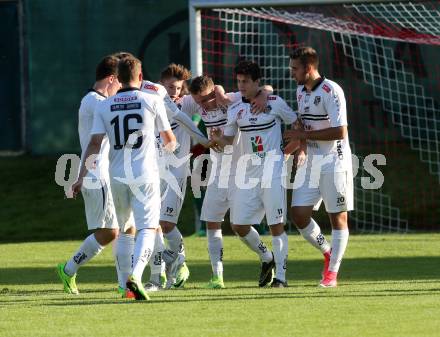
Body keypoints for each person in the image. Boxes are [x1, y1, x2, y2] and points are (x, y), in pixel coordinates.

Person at [71, 55, 176, 300]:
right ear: (140, 77)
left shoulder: (104, 106)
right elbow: (169, 141)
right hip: (145, 174)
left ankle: (125, 287)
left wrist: (80, 177)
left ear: (118, 78)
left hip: (116, 176)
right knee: (148, 228)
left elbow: (94, 144)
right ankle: (136, 276)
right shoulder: (151, 100)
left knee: (126, 230)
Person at [210, 60, 297, 288]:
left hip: (272, 173)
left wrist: (286, 153)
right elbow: (229, 140)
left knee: (276, 225)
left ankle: (281, 278)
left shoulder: (275, 103)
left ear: (257, 82)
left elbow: (297, 127)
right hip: (247, 175)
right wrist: (219, 138)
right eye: (238, 81)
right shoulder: (236, 109)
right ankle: (267, 257)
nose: (241, 86)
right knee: (238, 225)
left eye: (245, 81)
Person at [56, 55, 134, 296]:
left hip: (111, 173)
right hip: (96, 173)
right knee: (110, 232)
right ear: (111, 78)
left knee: (127, 228)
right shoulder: (93, 102)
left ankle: (125, 286)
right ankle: (68, 269)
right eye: (120, 83)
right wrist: (80, 176)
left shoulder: (99, 101)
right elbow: (94, 143)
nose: (121, 88)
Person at [284, 46, 353, 288]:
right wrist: (299, 147)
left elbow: (340, 131)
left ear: (309, 68)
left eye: (295, 68)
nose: (291, 72)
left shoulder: (331, 90)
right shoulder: (300, 91)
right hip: (310, 162)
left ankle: (331, 274)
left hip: (335, 161)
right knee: (299, 214)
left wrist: (300, 133)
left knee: (338, 218)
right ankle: (327, 252)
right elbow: (305, 127)